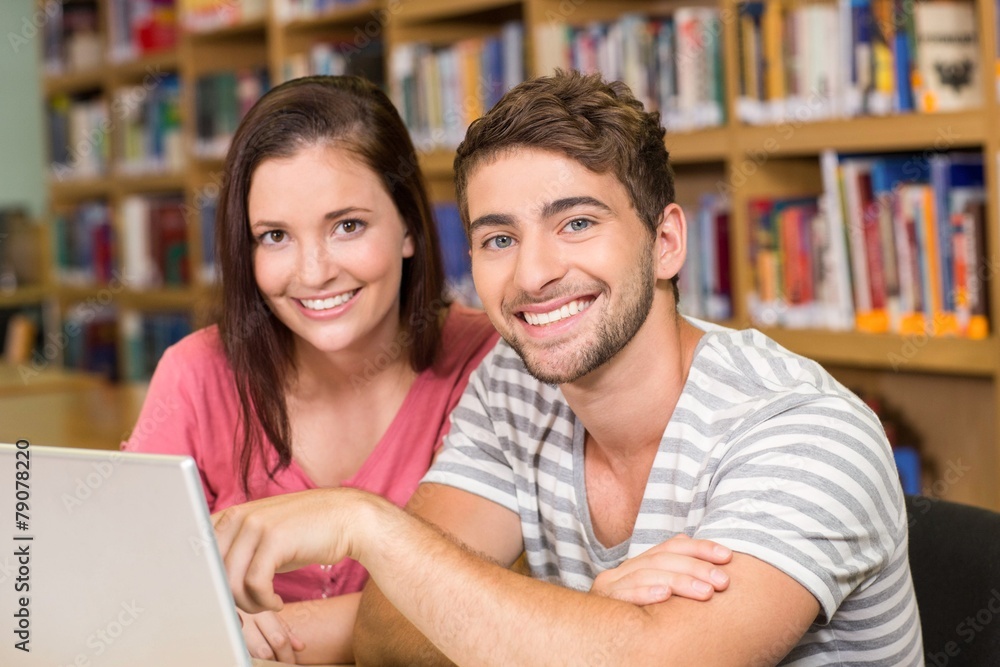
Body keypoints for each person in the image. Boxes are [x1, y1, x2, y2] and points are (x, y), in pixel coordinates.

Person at [212, 71, 923, 665]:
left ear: (667, 241)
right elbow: (388, 634)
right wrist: (593, 617)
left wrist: (367, 524)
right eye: (499, 238)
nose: (536, 272)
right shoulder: (514, 386)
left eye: (577, 222)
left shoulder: (804, 429)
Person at [121, 75, 503, 664]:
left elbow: (496, 604)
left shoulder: (490, 363)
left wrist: (229, 631)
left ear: (407, 226)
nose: (314, 271)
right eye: (274, 236)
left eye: (346, 225)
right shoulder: (195, 374)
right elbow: (128, 595)